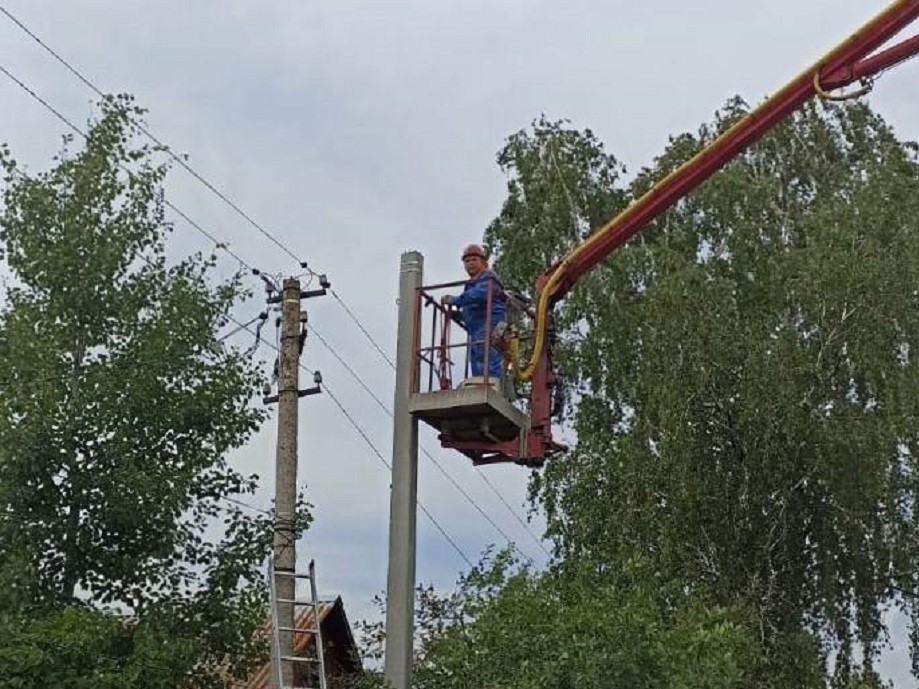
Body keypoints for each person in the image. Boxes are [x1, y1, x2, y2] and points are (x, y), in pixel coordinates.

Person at [441, 244, 507, 379]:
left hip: (491, 322)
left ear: (482, 262)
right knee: (477, 355)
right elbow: (472, 307)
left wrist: (456, 300)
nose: (470, 263)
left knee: (486, 351)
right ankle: (480, 382)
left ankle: (492, 382)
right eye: (467, 261)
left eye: (474, 260)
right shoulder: (472, 283)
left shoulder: (488, 277)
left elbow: (479, 294)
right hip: (478, 328)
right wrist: (459, 315)